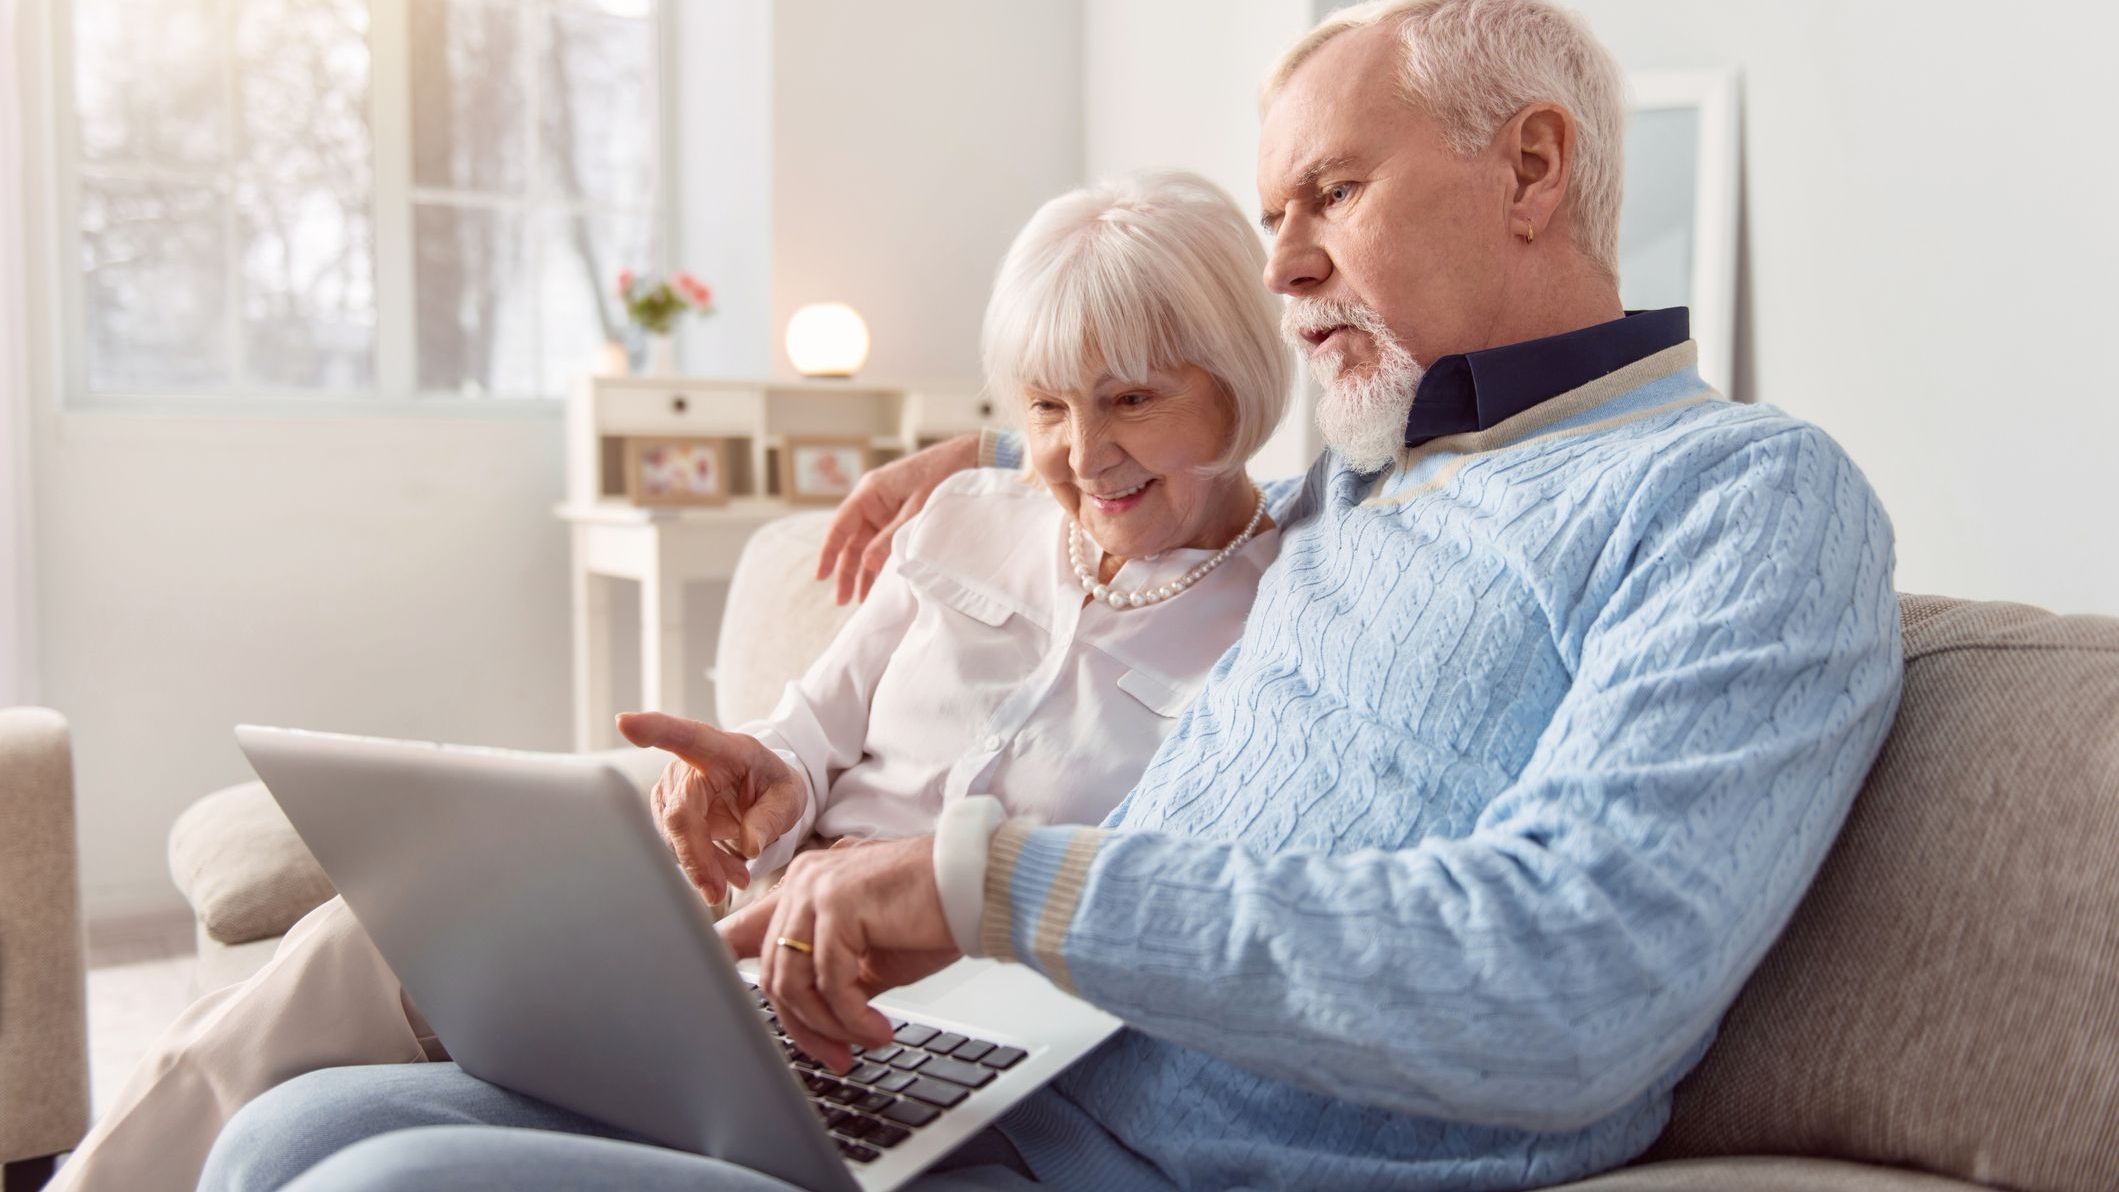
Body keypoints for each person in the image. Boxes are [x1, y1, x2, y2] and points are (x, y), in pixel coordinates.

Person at [199, 1, 1907, 1189]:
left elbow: (1570, 983)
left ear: (1531, 170)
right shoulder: (1355, 490)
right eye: (1268, 214)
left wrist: (982, 881)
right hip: (1001, 1084)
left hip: (1160, 1162)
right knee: (291, 1131)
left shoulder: (1738, 498)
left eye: (1330, 193)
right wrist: (952, 449)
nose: (1284, 256)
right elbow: (1132, 457)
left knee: (351, 1177)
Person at [51, 169, 1293, 1192]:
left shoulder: (1296, 606)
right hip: (731, 941)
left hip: (924, 1014)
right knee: (364, 931)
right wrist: (764, 774)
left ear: (1240, 377)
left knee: (336, 1150)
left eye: (1130, 399)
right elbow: (811, 726)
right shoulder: (967, 515)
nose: (1082, 456)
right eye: (1045, 408)